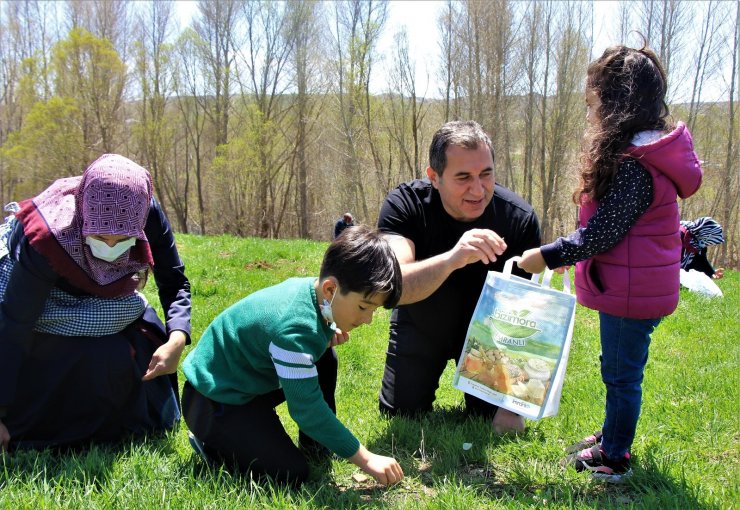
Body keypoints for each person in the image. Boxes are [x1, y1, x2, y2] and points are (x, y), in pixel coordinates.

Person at [517, 43, 703, 482]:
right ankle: (611, 436)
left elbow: (603, 232)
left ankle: (614, 456)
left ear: (617, 104)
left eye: (593, 104)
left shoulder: (637, 166)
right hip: (632, 286)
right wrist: (573, 256)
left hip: (632, 293)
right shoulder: (642, 158)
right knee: (617, 368)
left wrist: (548, 255)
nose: (589, 115)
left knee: (621, 377)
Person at [181, 225, 404, 487]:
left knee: (324, 358)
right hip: (212, 400)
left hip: (243, 381)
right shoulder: (295, 329)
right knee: (290, 473)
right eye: (364, 307)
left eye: (374, 310)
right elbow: (306, 410)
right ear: (331, 289)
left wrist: (322, 340)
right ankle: (215, 445)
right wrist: (365, 458)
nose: (367, 320)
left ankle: (316, 445)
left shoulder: (314, 294)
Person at [0, 154, 191, 452]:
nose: (110, 248)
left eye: (123, 240)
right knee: (90, 358)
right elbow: (16, 321)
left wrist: (177, 339)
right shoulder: (48, 235)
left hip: (113, 300)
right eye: (100, 237)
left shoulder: (147, 214)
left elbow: (174, 282)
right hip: (46, 303)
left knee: (123, 352)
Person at [376, 120, 542, 434]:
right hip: (422, 321)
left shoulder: (518, 218)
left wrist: (510, 403)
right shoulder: (405, 205)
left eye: (486, 174)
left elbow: (525, 316)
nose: (478, 189)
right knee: (399, 415)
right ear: (434, 177)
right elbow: (396, 286)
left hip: (490, 337)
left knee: (489, 420)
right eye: (463, 177)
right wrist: (454, 258)